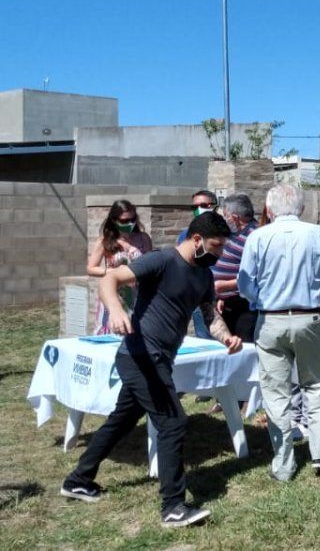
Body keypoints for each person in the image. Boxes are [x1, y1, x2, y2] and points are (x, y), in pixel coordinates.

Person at [61, 212, 243, 529]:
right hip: (141, 356)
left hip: (157, 358)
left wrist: (227, 336)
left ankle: (78, 479)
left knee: (120, 421)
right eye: (216, 246)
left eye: (223, 248)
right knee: (173, 423)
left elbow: (210, 316)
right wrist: (116, 309)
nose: (219, 253)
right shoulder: (162, 260)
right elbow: (110, 278)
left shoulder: (202, 276)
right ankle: (173, 507)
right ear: (197, 240)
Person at [238, 183, 320, 481]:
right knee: (317, 384)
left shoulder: (257, 237)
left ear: (269, 210)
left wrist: (260, 300)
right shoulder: (318, 234)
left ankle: (283, 464)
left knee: (275, 392)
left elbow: (245, 283)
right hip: (309, 317)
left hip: (270, 319)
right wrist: (315, 296)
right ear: (302, 208)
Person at [87, 200, 152, 335]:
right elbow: (91, 268)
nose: (129, 223)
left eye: (132, 219)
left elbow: (150, 264)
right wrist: (112, 271)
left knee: (136, 331)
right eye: (124, 220)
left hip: (138, 293)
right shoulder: (105, 241)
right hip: (114, 292)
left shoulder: (143, 238)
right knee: (111, 330)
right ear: (114, 220)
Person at [213, 193, 259, 342]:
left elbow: (258, 274)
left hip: (245, 307)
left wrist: (225, 286)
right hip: (226, 303)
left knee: (244, 349)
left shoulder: (256, 236)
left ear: (235, 217)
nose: (224, 218)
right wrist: (221, 296)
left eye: (226, 215)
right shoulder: (232, 234)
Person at [178, 190, 218, 339]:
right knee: (206, 342)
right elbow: (182, 264)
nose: (198, 210)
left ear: (213, 206)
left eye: (202, 205)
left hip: (226, 298)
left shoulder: (224, 231)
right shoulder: (187, 234)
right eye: (194, 207)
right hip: (201, 298)